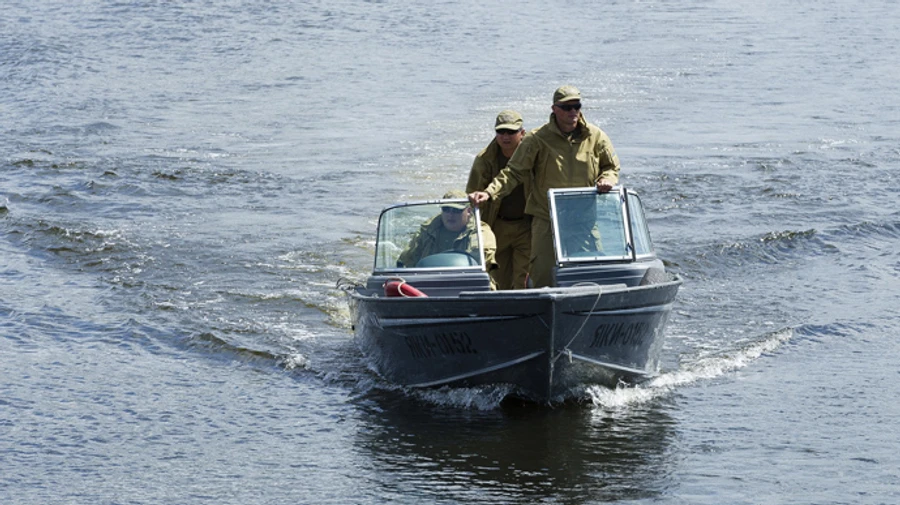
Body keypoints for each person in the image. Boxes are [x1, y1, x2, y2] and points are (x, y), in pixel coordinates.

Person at [468, 85, 621, 288]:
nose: (573, 111)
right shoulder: (537, 138)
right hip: (546, 218)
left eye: (577, 106)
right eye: (567, 107)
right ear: (554, 109)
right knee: (542, 277)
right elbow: (514, 172)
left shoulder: (595, 136)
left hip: (583, 219)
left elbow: (611, 167)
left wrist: (607, 179)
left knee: (592, 275)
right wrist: (489, 192)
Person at [465, 110, 531, 290]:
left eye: (511, 132)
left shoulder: (533, 154)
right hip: (498, 225)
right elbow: (472, 192)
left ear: (522, 133)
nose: (505, 137)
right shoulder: (485, 159)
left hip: (527, 224)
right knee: (497, 277)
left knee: (522, 280)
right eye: (501, 132)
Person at [397, 190, 497, 286]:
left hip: (470, 283)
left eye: (456, 210)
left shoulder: (480, 232)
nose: (450, 214)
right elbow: (407, 260)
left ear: (469, 211)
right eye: (446, 209)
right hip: (429, 282)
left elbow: (484, 261)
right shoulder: (428, 230)